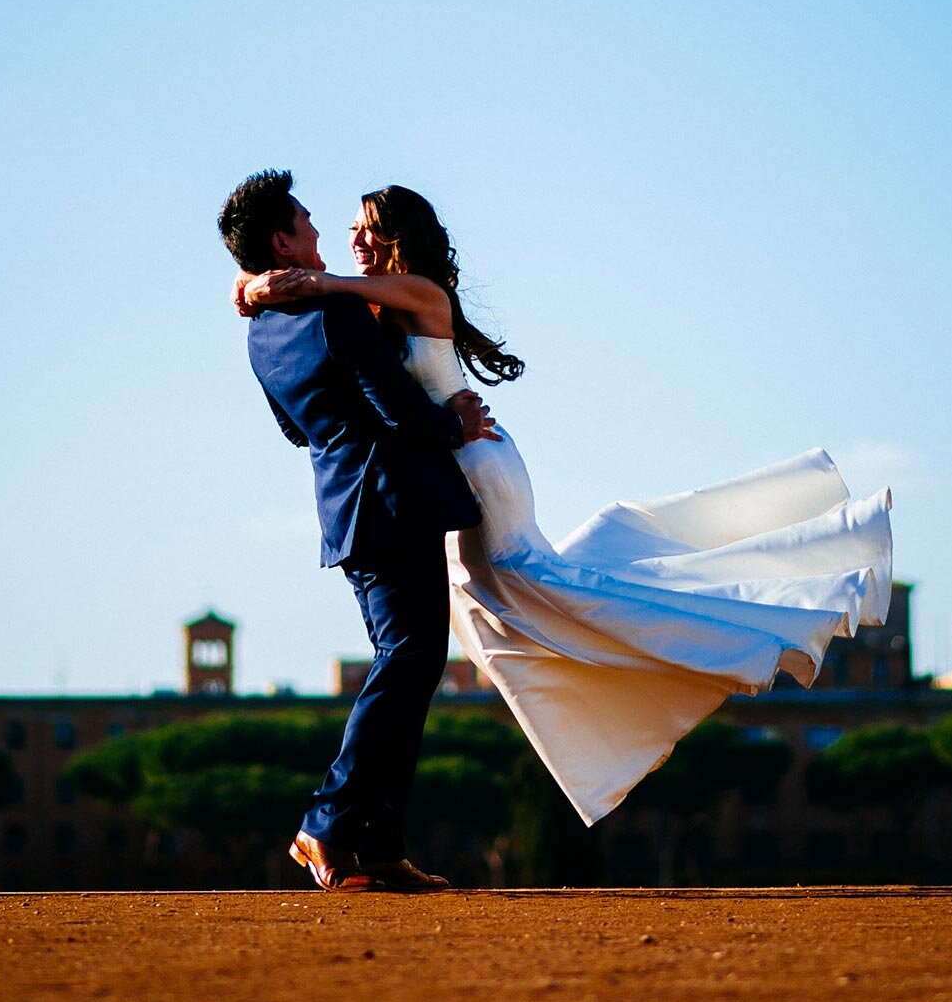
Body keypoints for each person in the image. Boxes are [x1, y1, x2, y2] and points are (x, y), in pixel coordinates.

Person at [236, 183, 894, 827]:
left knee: (538, 599)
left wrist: (257, 285)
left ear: (399, 237)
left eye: (366, 224)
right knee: (498, 616)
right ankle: (625, 691)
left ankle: (740, 631)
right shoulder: (369, 308)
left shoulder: (415, 293)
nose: (350, 237)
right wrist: (258, 286)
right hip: (448, 469)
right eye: (343, 224)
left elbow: (327, 294)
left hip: (475, 464)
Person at [218, 170, 498, 893]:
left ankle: (375, 850)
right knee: (408, 661)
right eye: (306, 221)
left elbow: (293, 428)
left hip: (347, 511)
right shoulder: (337, 312)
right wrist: (453, 423)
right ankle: (327, 824)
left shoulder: (260, 336)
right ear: (283, 238)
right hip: (394, 500)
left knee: (408, 663)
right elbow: (401, 407)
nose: (318, 231)